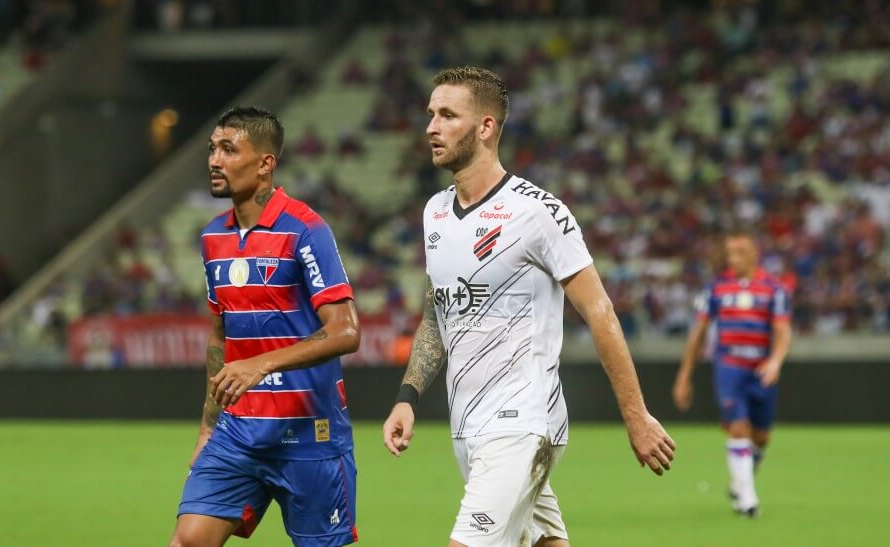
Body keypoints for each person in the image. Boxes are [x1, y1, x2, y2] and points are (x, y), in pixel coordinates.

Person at [382, 66, 676, 547]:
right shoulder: (435, 212)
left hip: (521, 424)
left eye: (448, 115)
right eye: (431, 114)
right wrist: (407, 396)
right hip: (470, 426)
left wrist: (636, 415)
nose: (432, 126)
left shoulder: (536, 212)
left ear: (485, 128)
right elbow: (436, 314)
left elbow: (600, 312)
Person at [169, 106, 361, 547]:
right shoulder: (212, 238)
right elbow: (220, 337)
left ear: (265, 163)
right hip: (238, 433)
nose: (214, 160)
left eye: (228, 150)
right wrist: (207, 428)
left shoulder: (306, 230)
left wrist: (259, 365)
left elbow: (346, 331)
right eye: (213, 149)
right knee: (189, 540)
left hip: (310, 436)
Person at [673, 230, 792, 517]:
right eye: (730, 252)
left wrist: (776, 360)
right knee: (737, 427)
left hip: (760, 368)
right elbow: (698, 333)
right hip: (729, 366)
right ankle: (747, 500)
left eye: (740, 251)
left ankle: (741, 481)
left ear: (754, 253)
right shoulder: (716, 289)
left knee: (761, 436)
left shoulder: (773, 289)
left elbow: (782, 330)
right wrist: (684, 375)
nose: (733, 258)